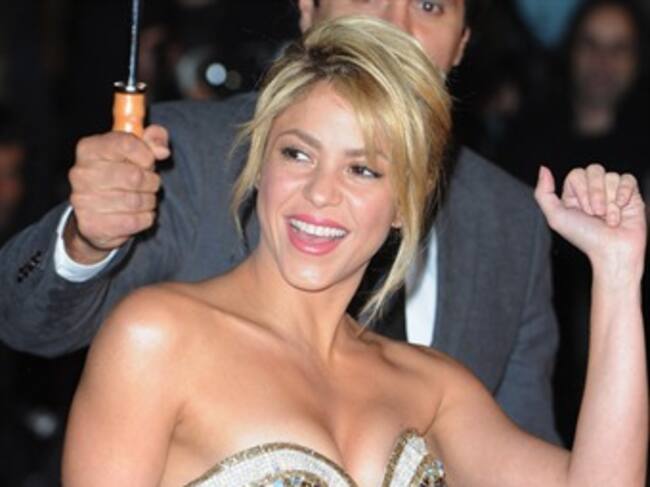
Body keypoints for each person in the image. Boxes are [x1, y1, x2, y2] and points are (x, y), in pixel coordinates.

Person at [62, 17, 647, 486]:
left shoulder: (433, 386)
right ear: (261, 163)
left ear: (405, 204)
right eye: (297, 154)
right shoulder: (158, 338)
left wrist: (618, 273)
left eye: (363, 169)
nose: (321, 192)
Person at [0, 0, 560, 443]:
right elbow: (26, 322)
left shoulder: (512, 222)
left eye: (430, 5)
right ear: (307, 9)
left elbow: (525, 443)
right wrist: (83, 242)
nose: (394, 27)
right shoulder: (182, 156)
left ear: (462, 44)